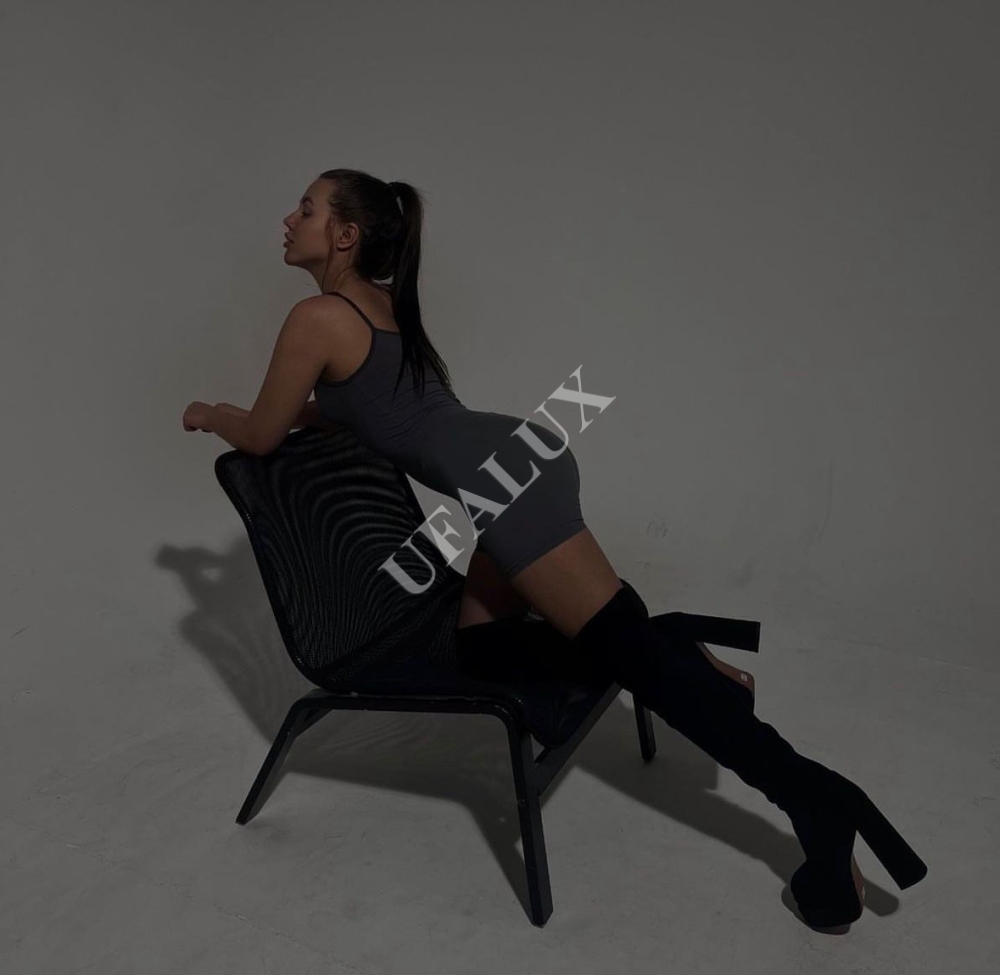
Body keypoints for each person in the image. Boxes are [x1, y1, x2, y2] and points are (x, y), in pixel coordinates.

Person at [183, 168, 927, 931]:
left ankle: (815, 799)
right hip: (514, 458)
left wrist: (215, 413)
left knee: (631, 656)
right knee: (486, 648)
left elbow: (261, 434)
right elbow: (357, 404)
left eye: (306, 208)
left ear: (345, 234)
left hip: (501, 484)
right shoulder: (378, 306)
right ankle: (670, 643)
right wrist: (298, 413)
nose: (290, 219)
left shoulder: (315, 317)